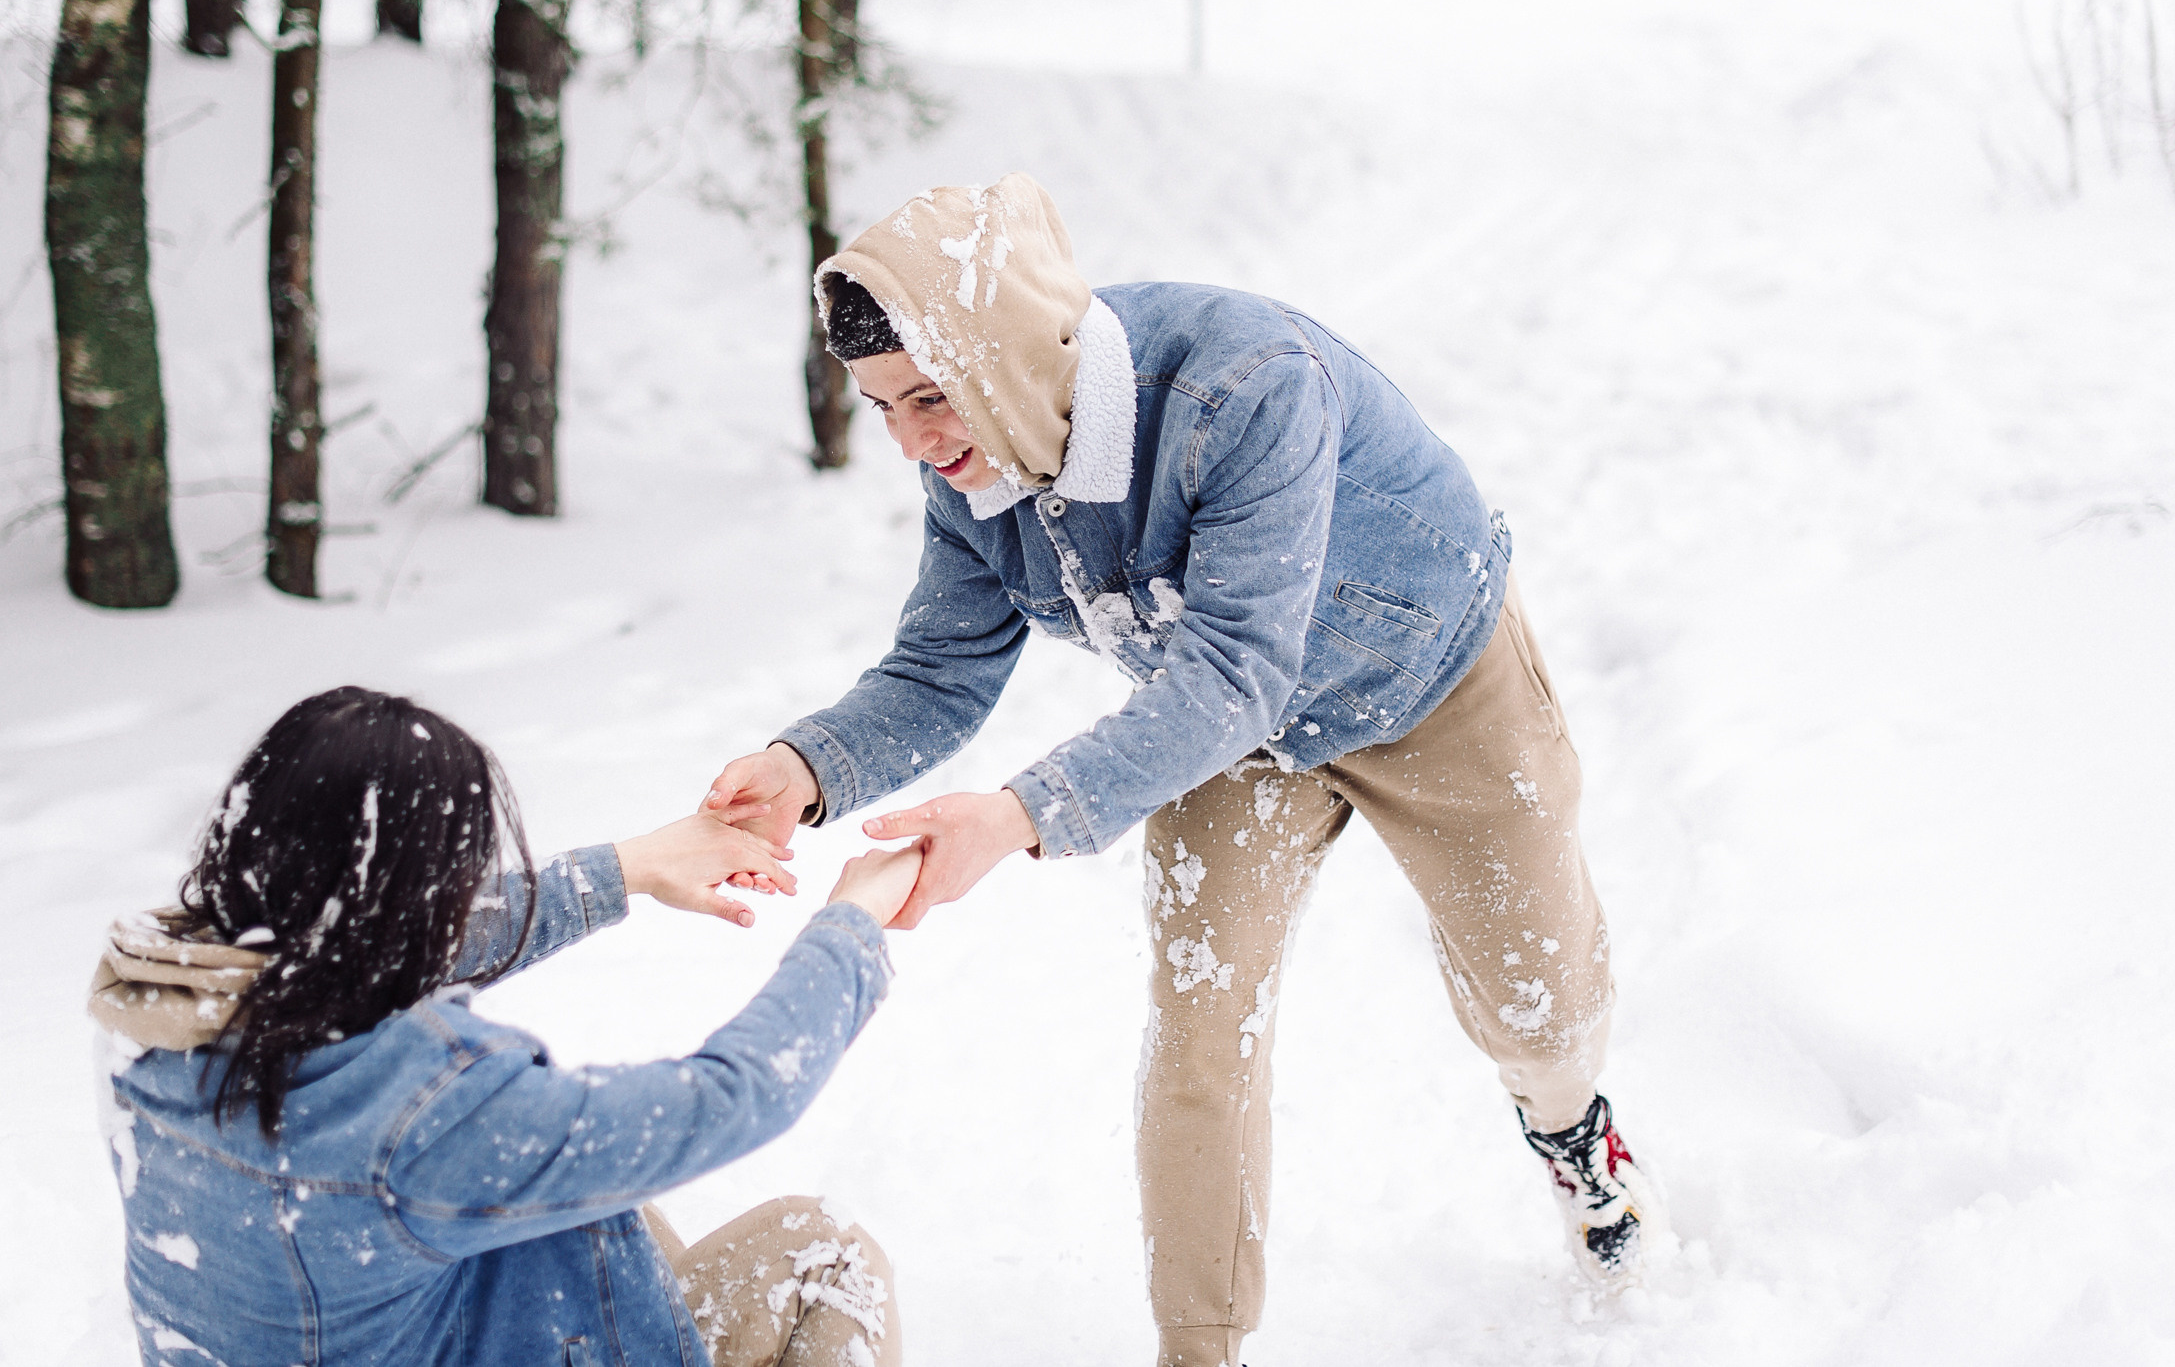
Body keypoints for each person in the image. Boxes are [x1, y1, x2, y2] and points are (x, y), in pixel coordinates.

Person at [700, 174, 1658, 1367]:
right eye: (882, 407)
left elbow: (1235, 665)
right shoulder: (978, 457)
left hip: (1425, 679)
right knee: (1202, 1024)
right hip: (1221, 734)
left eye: (928, 398)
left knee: (1538, 999)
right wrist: (804, 765)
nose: (911, 441)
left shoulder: (1245, 384)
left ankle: (1571, 1131)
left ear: (1002, 355)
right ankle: (1198, 1350)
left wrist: (1021, 814)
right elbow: (942, 666)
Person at [90, 686, 917, 1367]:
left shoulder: (158, 1008)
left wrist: (628, 867)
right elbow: (737, 1095)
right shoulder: (424, 1114)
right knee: (825, 1252)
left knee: (612, 1217)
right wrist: (852, 921)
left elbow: (369, 951)